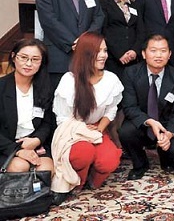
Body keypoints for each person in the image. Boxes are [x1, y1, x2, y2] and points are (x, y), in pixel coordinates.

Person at [51, 32, 123, 205]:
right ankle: (78, 183)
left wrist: (99, 129)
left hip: (96, 128)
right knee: (83, 153)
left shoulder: (111, 79)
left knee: (109, 160)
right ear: (85, 53)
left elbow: (111, 111)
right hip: (72, 130)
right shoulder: (69, 81)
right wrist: (83, 132)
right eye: (98, 51)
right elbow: (62, 119)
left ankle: (93, 179)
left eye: (105, 50)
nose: (104, 55)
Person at [119, 34, 174, 180]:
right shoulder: (131, 73)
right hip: (143, 123)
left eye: (163, 51)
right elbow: (129, 107)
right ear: (144, 54)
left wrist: (168, 134)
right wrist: (150, 122)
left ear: (169, 54)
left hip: (166, 125)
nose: (158, 55)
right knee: (125, 132)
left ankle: (165, 156)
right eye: (153, 50)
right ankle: (140, 164)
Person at [0, 39, 53, 174]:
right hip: (6, 146)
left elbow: (47, 122)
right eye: (23, 57)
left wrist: (37, 140)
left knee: (45, 171)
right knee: (20, 167)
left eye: (35, 59)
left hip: (34, 142)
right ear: (13, 57)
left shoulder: (45, 87)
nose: (28, 63)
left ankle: (37, 196)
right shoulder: (2, 87)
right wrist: (18, 150)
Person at [99, 0, 145, 80]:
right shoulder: (102, 3)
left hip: (133, 61)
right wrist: (119, 53)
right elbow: (103, 31)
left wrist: (135, 51)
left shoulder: (134, 5)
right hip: (111, 59)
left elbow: (141, 31)